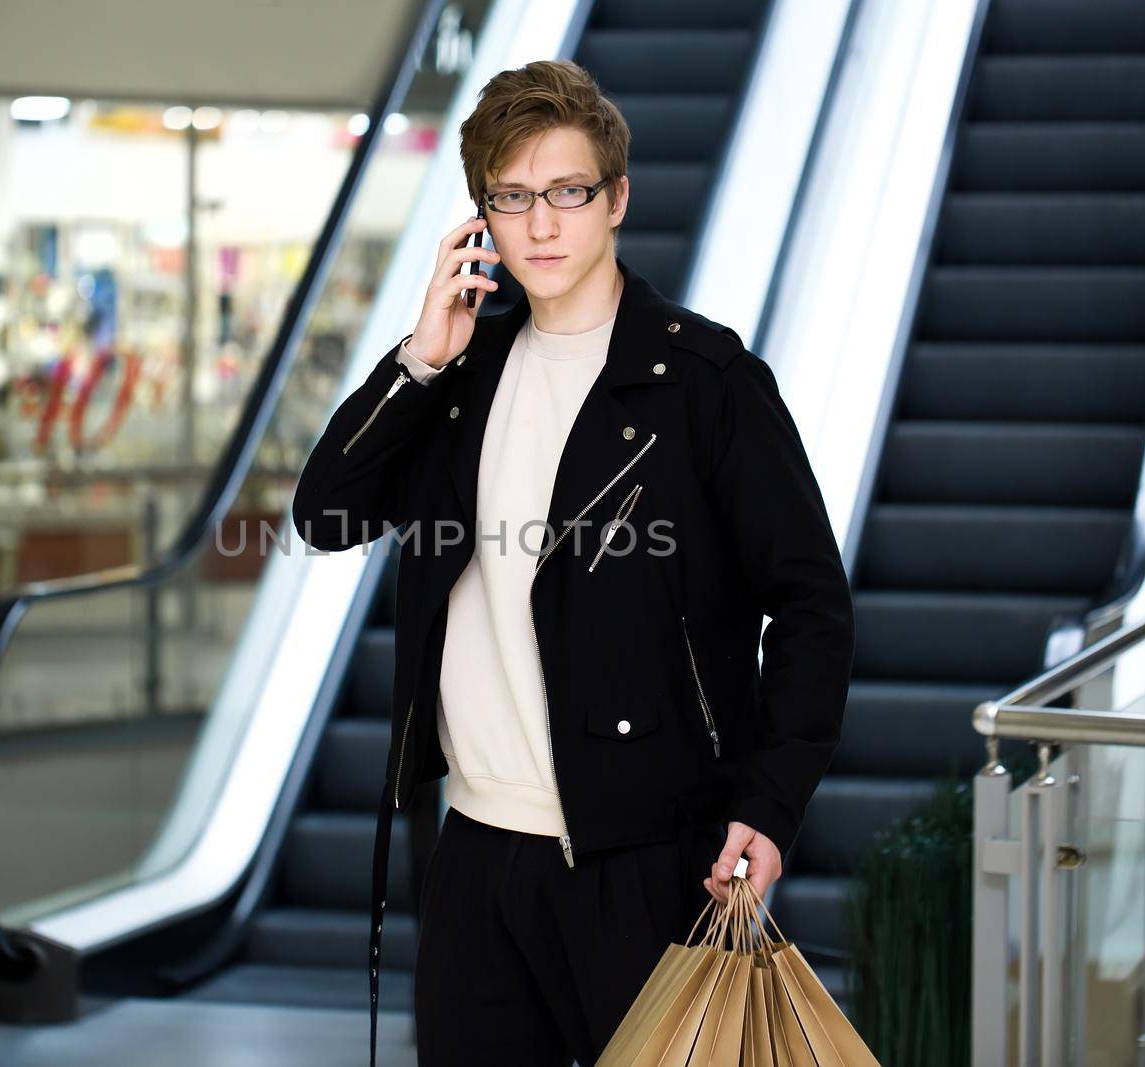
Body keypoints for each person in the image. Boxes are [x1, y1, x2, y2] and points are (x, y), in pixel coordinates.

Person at [291, 59, 854, 1067]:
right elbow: (325, 512)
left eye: (567, 192)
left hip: (644, 860)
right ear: (481, 221)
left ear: (615, 198)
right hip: (470, 852)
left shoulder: (705, 382)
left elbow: (811, 604)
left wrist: (768, 803)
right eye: (510, 198)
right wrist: (420, 357)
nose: (540, 224)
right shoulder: (459, 380)